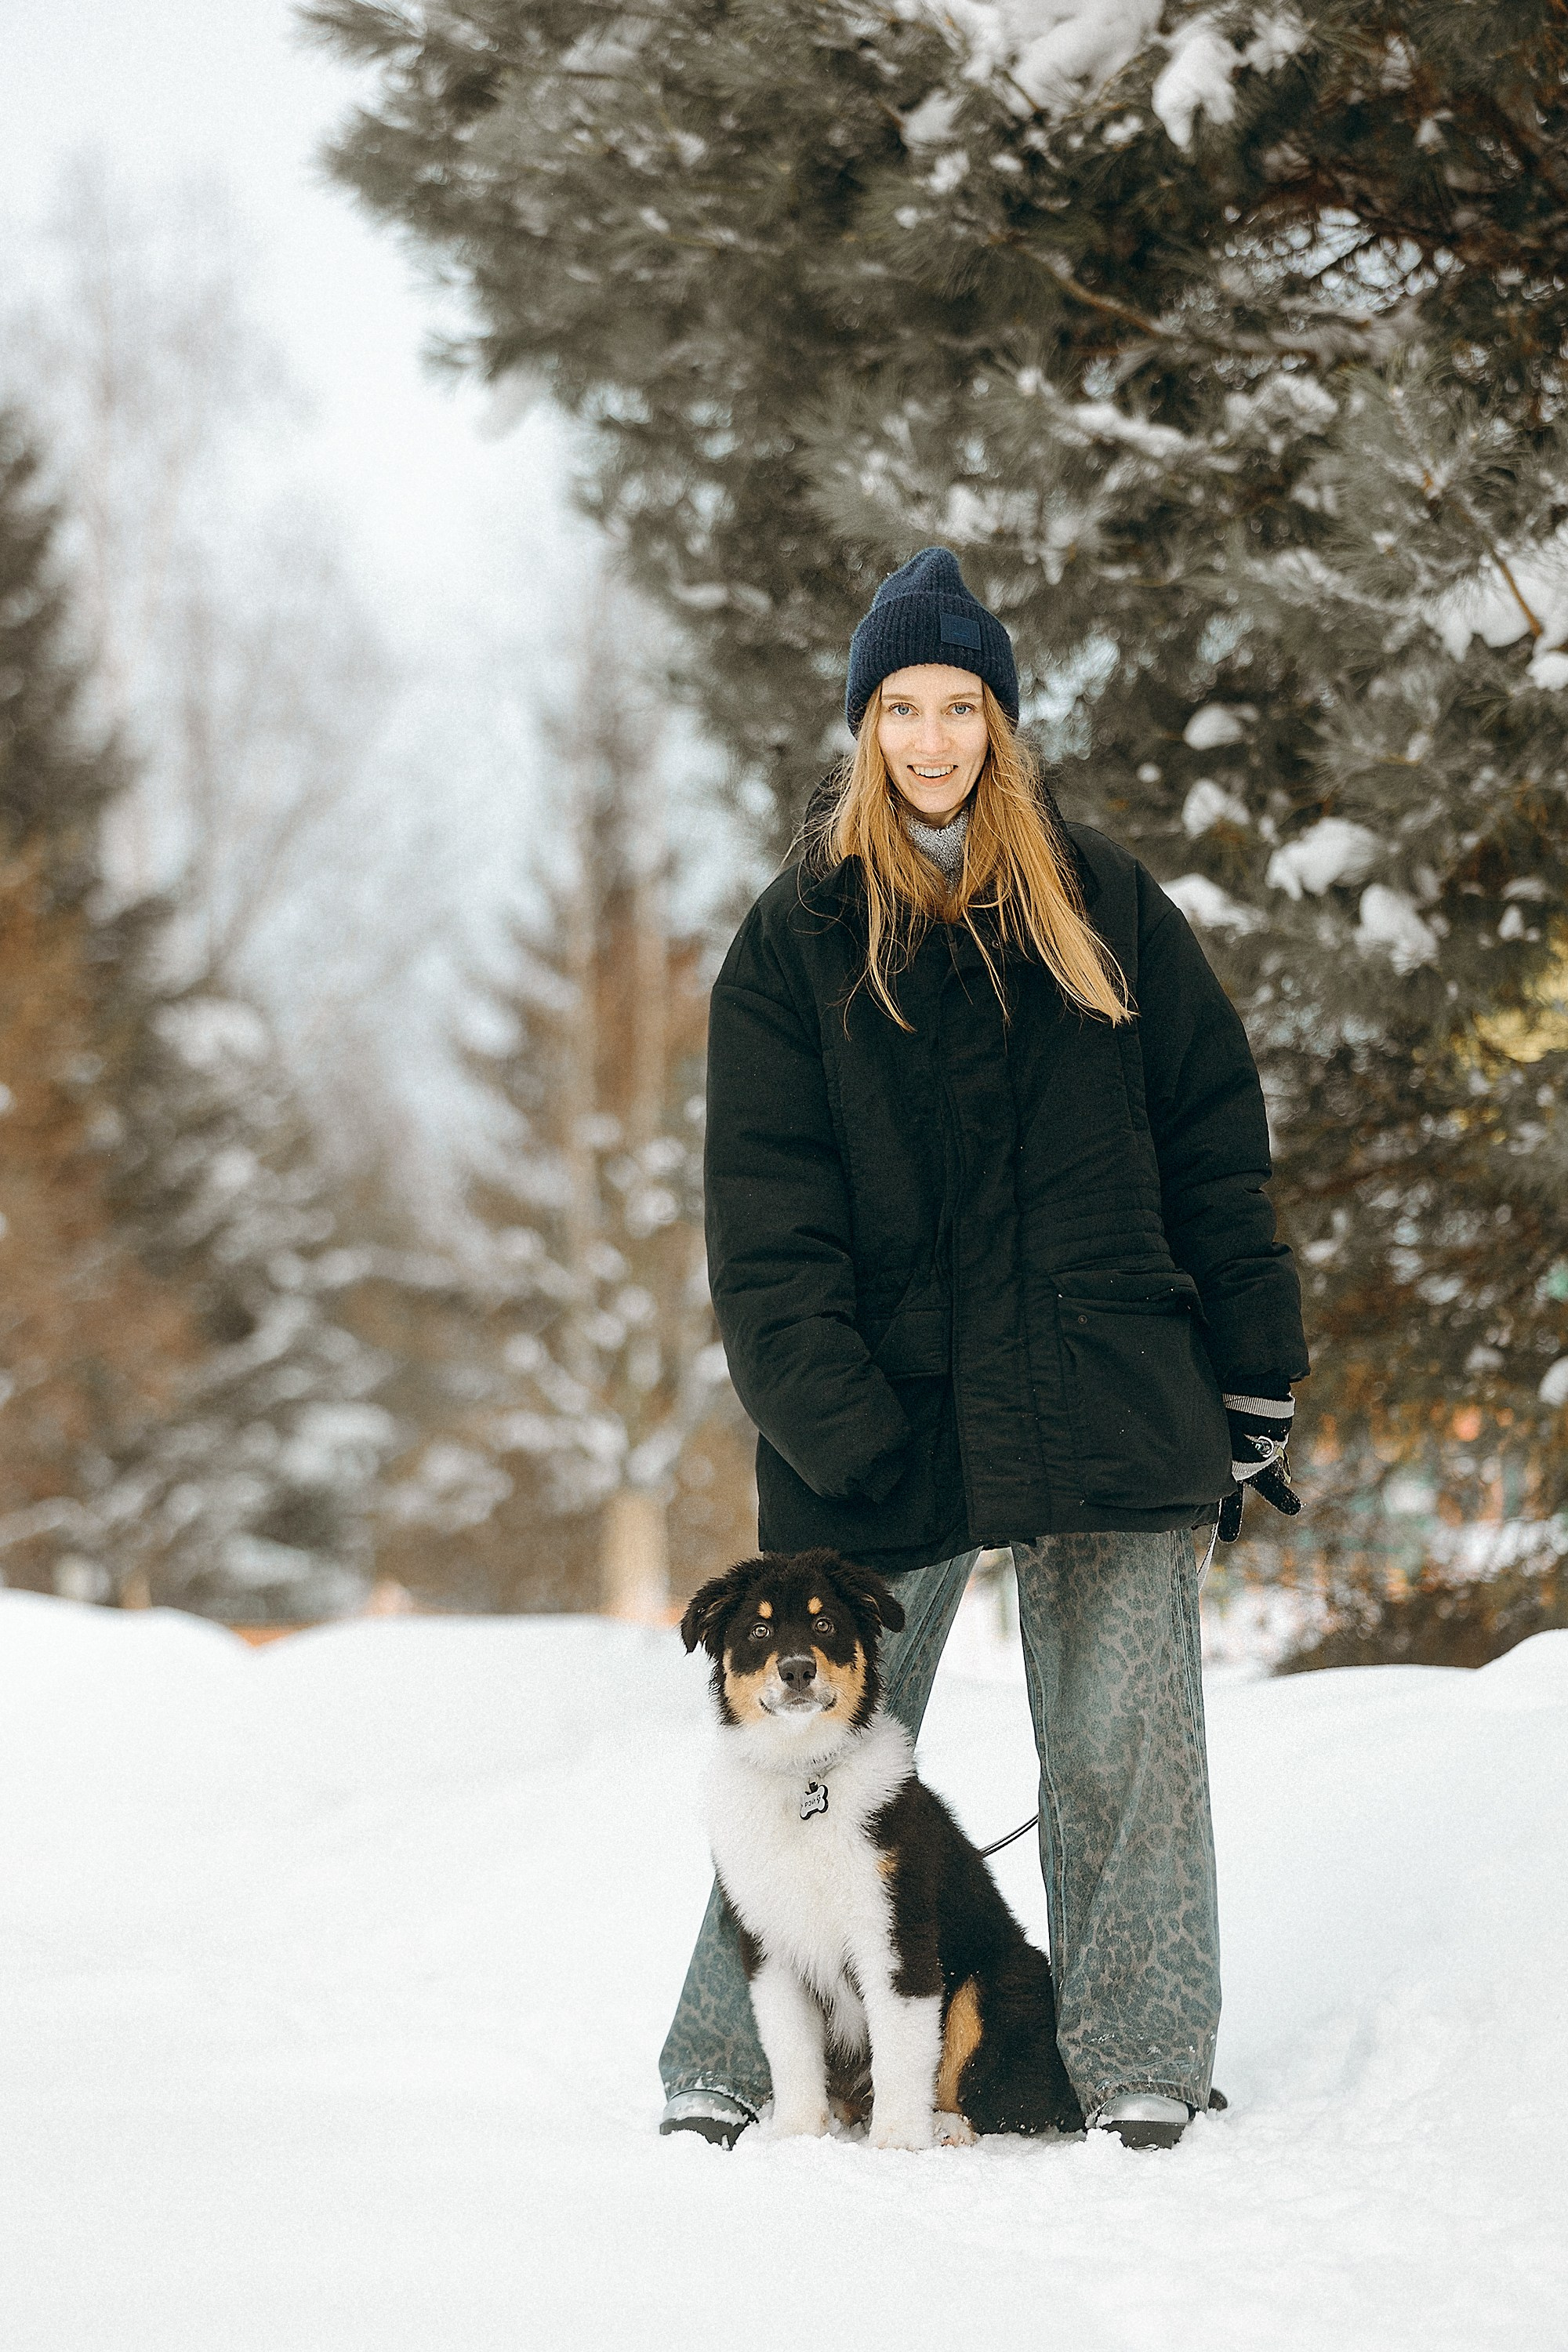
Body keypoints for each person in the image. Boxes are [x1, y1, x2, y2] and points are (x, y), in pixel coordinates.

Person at [659, 547, 1308, 2151]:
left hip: (1109, 1389)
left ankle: (1140, 2055)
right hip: (887, 1410)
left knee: (1125, 1747)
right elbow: (763, 1213)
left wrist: (1250, 1369)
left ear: (1001, 723)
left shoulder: (1102, 904)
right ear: (864, 724)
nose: (934, 736)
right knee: (810, 1757)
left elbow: (1213, 1145)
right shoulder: (797, 934)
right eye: (903, 706)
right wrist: (836, 1419)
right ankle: (730, 2067)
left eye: (962, 704)